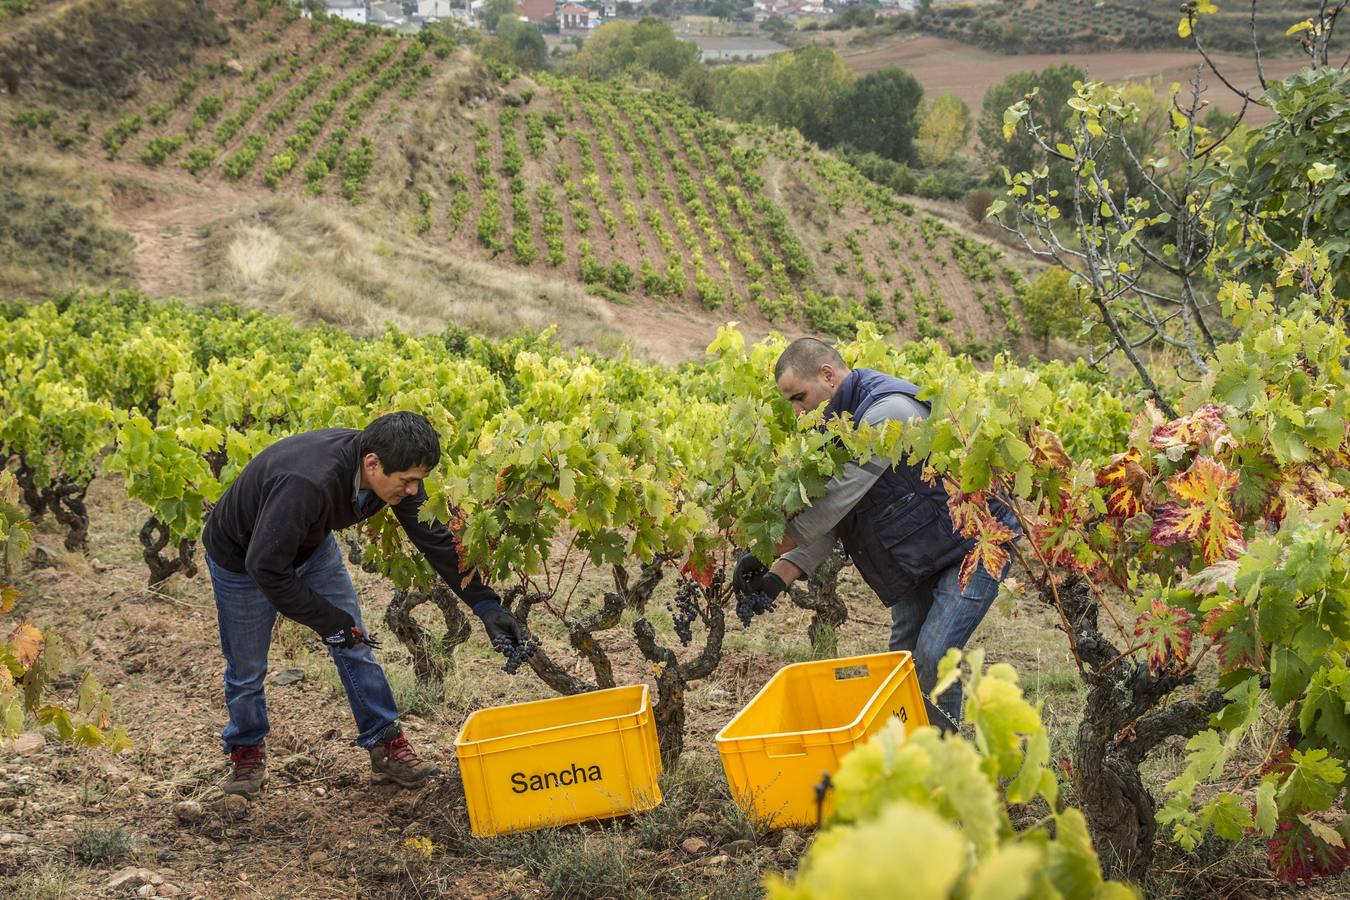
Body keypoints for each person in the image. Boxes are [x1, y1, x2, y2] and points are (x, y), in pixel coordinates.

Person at [201, 412, 530, 797]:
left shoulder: (391, 466)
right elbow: (266, 567)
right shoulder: (307, 482)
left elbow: (434, 540)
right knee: (247, 667)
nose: (413, 491)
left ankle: (385, 744)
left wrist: (487, 607)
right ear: (371, 464)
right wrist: (328, 621)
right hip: (242, 559)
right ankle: (245, 749)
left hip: (308, 542)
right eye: (407, 481)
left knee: (355, 642)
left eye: (418, 481)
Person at [733, 338, 1017, 732]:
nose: (797, 411)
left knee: (934, 656)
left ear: (828, 376)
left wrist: (770, 545)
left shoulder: (888, 412)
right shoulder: (835, 428)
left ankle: (947, 768)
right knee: (902, 659)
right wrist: (778, 575)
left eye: (799, 397)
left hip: (971, 544)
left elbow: (834, 502)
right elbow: (840, 516)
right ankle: (917, 757)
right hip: (918, 553)